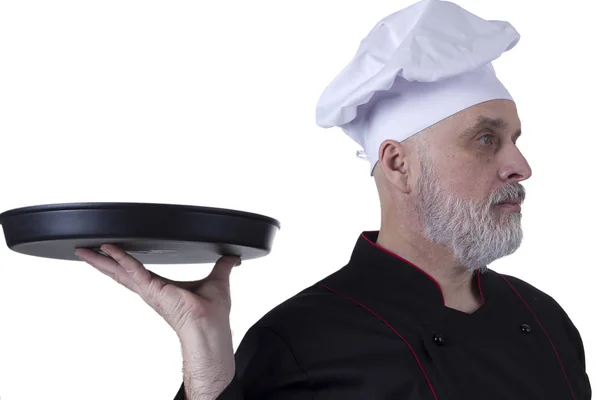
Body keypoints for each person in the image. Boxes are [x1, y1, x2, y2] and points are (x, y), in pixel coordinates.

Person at [75, 0, 592, 399]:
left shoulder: (544, 318)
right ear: (398, 164)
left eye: (516, 139)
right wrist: (207, 361)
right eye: (486, 139)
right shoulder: (301, 339)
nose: (520, 166)